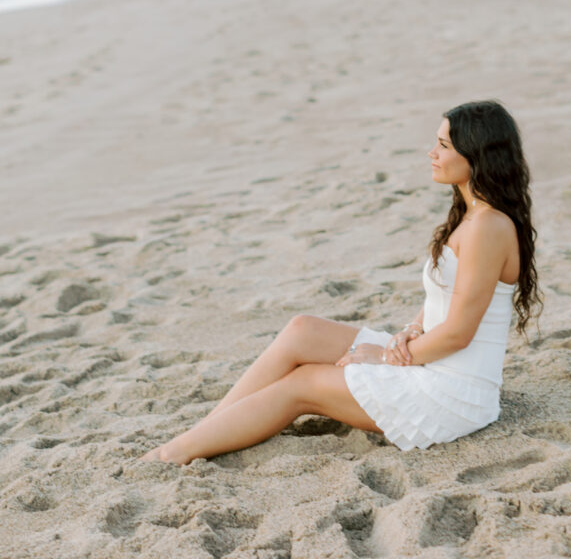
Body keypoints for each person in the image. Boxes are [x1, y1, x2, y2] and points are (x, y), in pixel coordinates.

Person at [141, 100, 541, 464]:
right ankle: (207, 430)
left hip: (452, 393)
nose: (432, 153)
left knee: (302, 384)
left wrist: (383, 356)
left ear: (477, 155)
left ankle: (171, 455)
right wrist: (409, 331)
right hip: (429, 357)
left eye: (444, 146)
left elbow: (457, 334)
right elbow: (443, 296)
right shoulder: (472, 216)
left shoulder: (488, 226)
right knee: (302, 331)